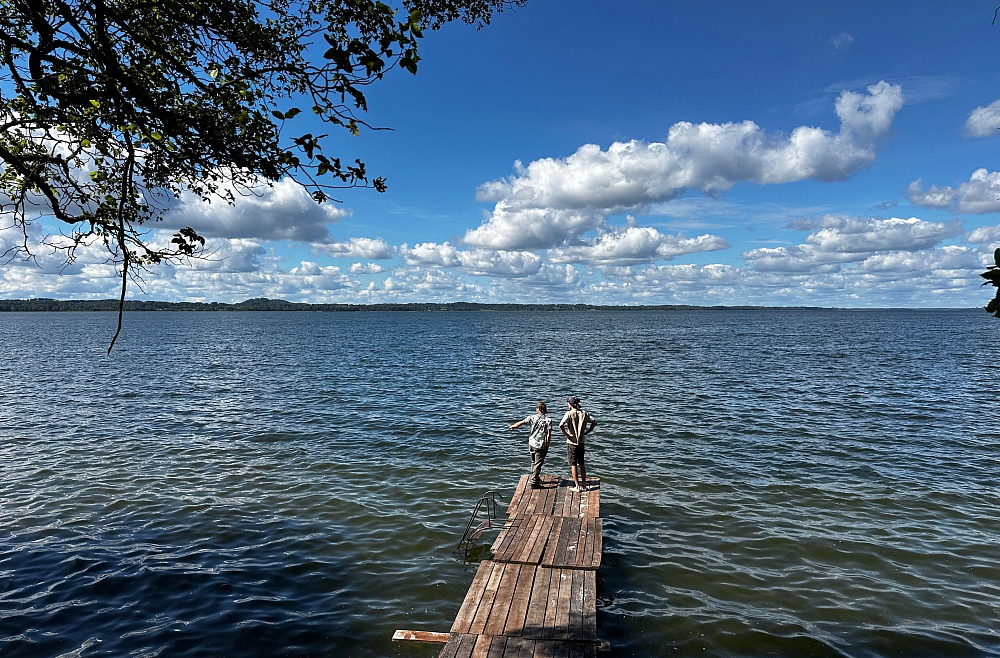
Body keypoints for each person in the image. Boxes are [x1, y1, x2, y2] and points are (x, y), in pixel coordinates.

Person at [507, 401, 552, 489]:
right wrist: (548, 445)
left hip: (531, 443)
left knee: (533, 462)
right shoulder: (548, 420)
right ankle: (534, 482)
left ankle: (535, 477)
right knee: (538, 464)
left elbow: (521, 422)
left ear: (538, 409)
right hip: (541, 444)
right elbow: (548, 434)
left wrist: (513, 426)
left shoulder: (531, 417)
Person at [559, 396, 597, 492]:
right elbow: (594, 422)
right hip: (581, 442)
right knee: (582, 463)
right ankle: (584, 485)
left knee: (573, 464)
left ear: (570, 404)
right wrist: (587, 432)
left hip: (571, 442)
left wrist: (567, 434)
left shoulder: (569, 413)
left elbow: (561, 424)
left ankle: (577, 486)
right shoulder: (584, 413)